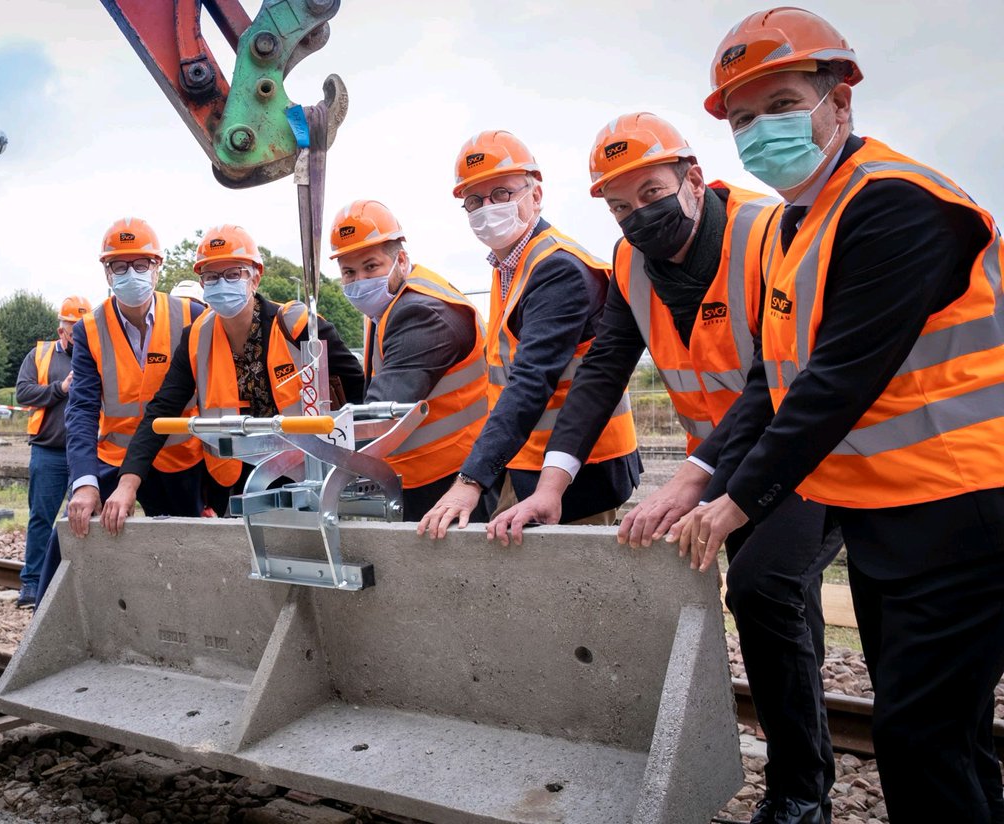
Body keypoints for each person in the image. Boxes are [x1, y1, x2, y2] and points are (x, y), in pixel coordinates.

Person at [670, 9, 1004, 824]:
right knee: (946, 734)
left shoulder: (899, 204)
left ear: (840, 102)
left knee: (921, 738)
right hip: (889, 512)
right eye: (743, 118)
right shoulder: (799, 224)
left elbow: (836, 384)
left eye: (782, 104)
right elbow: (773, 383)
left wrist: (735, 503)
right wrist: (703, 477)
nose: (760, 130)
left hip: (964, 508)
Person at [488, 112, 843, 823]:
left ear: (694, 179)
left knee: (763, 588)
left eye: (651, 193)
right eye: (620, 206)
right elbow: (601, 375)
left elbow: (775, 377)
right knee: (779, 606)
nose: (637, 215)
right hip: (730, 464)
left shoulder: (770, 234)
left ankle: (800, 793)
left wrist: (691, 478)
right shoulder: (629, 265)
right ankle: (806, 777)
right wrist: (553, 486)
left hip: (813, 449)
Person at [418, 130, 640, 538]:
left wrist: (470, 480)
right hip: (527, 461)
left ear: (535, 196)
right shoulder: (509, 265)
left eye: (501, 194)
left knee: (567, 577)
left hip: (576, 474)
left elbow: (530, 381)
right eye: (474, 201)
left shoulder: (558, 268)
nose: (487, 209)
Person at [100, 224, 364, 531]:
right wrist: (128, 483)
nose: (221, 283)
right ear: (202, 282)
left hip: (306, 475)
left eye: (233, 273)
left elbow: (356, 385)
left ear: (255, 277)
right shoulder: (196, 338)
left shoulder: (298, 326)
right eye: (211, 276)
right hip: (235, 481)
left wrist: (354, 460)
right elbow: (161, 410)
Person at [35, 217, 205, 603]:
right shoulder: (89, 329)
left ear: (157, 267)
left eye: (141, 264)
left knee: (197, 550)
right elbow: (81, 410)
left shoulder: (191, 315)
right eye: (119, 266)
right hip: (115, 457)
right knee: (71, 533)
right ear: (106, 272)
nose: (131, 274)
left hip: (180, 457)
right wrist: (85, 483)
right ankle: (46, 623)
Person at [330, 199, 489, 520]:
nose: (360, 281)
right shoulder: (387, 305)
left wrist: (316, 445)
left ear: (400, 260)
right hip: (426, 474)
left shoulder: (420, 313)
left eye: (371, 267)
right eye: (349, 272)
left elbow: (380, 414)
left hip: (449, 479)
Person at [13, 294, 90, 608]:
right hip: (49, 452)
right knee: (41, 519)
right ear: (62, 331)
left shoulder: (95, 353)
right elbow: (23, 392)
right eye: (74, 331)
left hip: (85, 454)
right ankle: (32, 584)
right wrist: (60, 389)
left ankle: (76, 582)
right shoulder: (40, 355)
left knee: (83, 520)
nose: (79, 337)